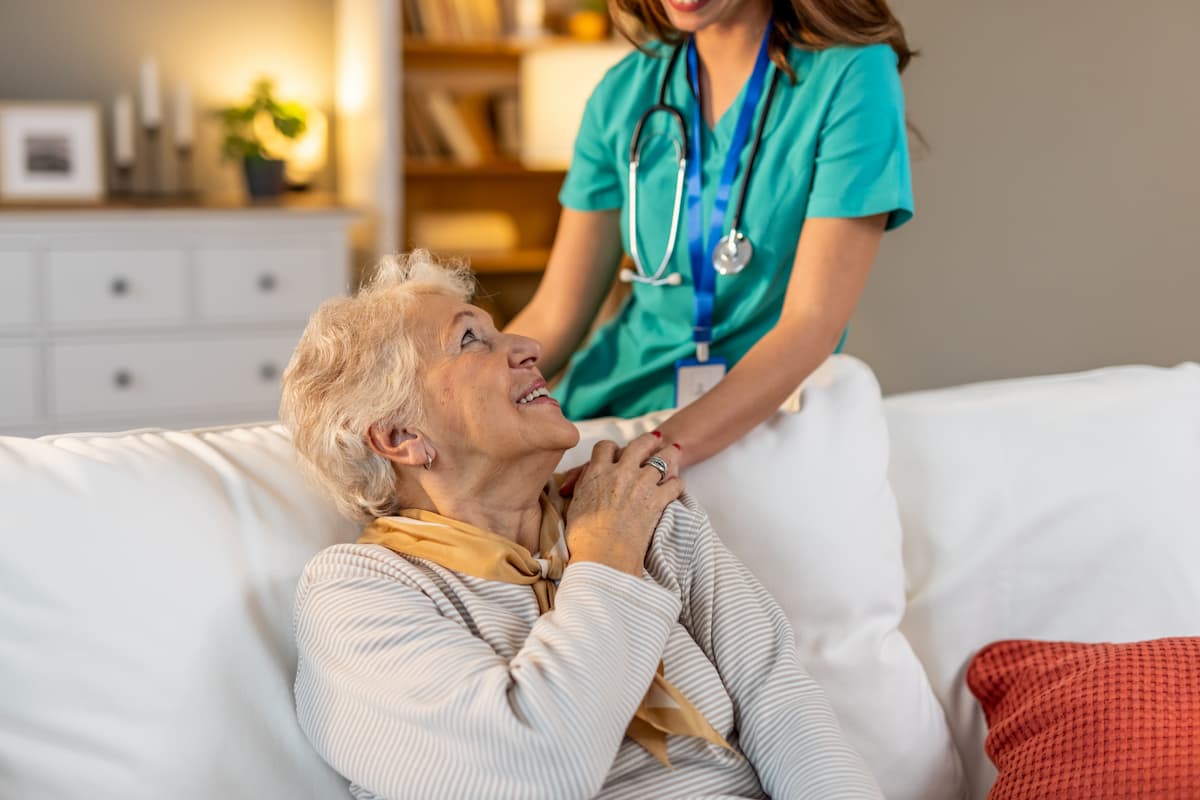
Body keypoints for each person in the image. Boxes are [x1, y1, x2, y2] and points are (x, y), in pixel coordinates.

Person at [279, 252, 882, 799]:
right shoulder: (357, 593)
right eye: (470, 341)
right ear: (402, 437)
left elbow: (783, 704)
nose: (526, 346)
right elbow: (536, 772)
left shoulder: (637, 505)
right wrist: (604, 558)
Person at [507, 0, 915, 468]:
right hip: (603, 416)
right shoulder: (624, 90)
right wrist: (450, 400)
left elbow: (810, 326)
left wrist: (653, 456)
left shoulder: (853, 74)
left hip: (737, 429)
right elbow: (556, 313)